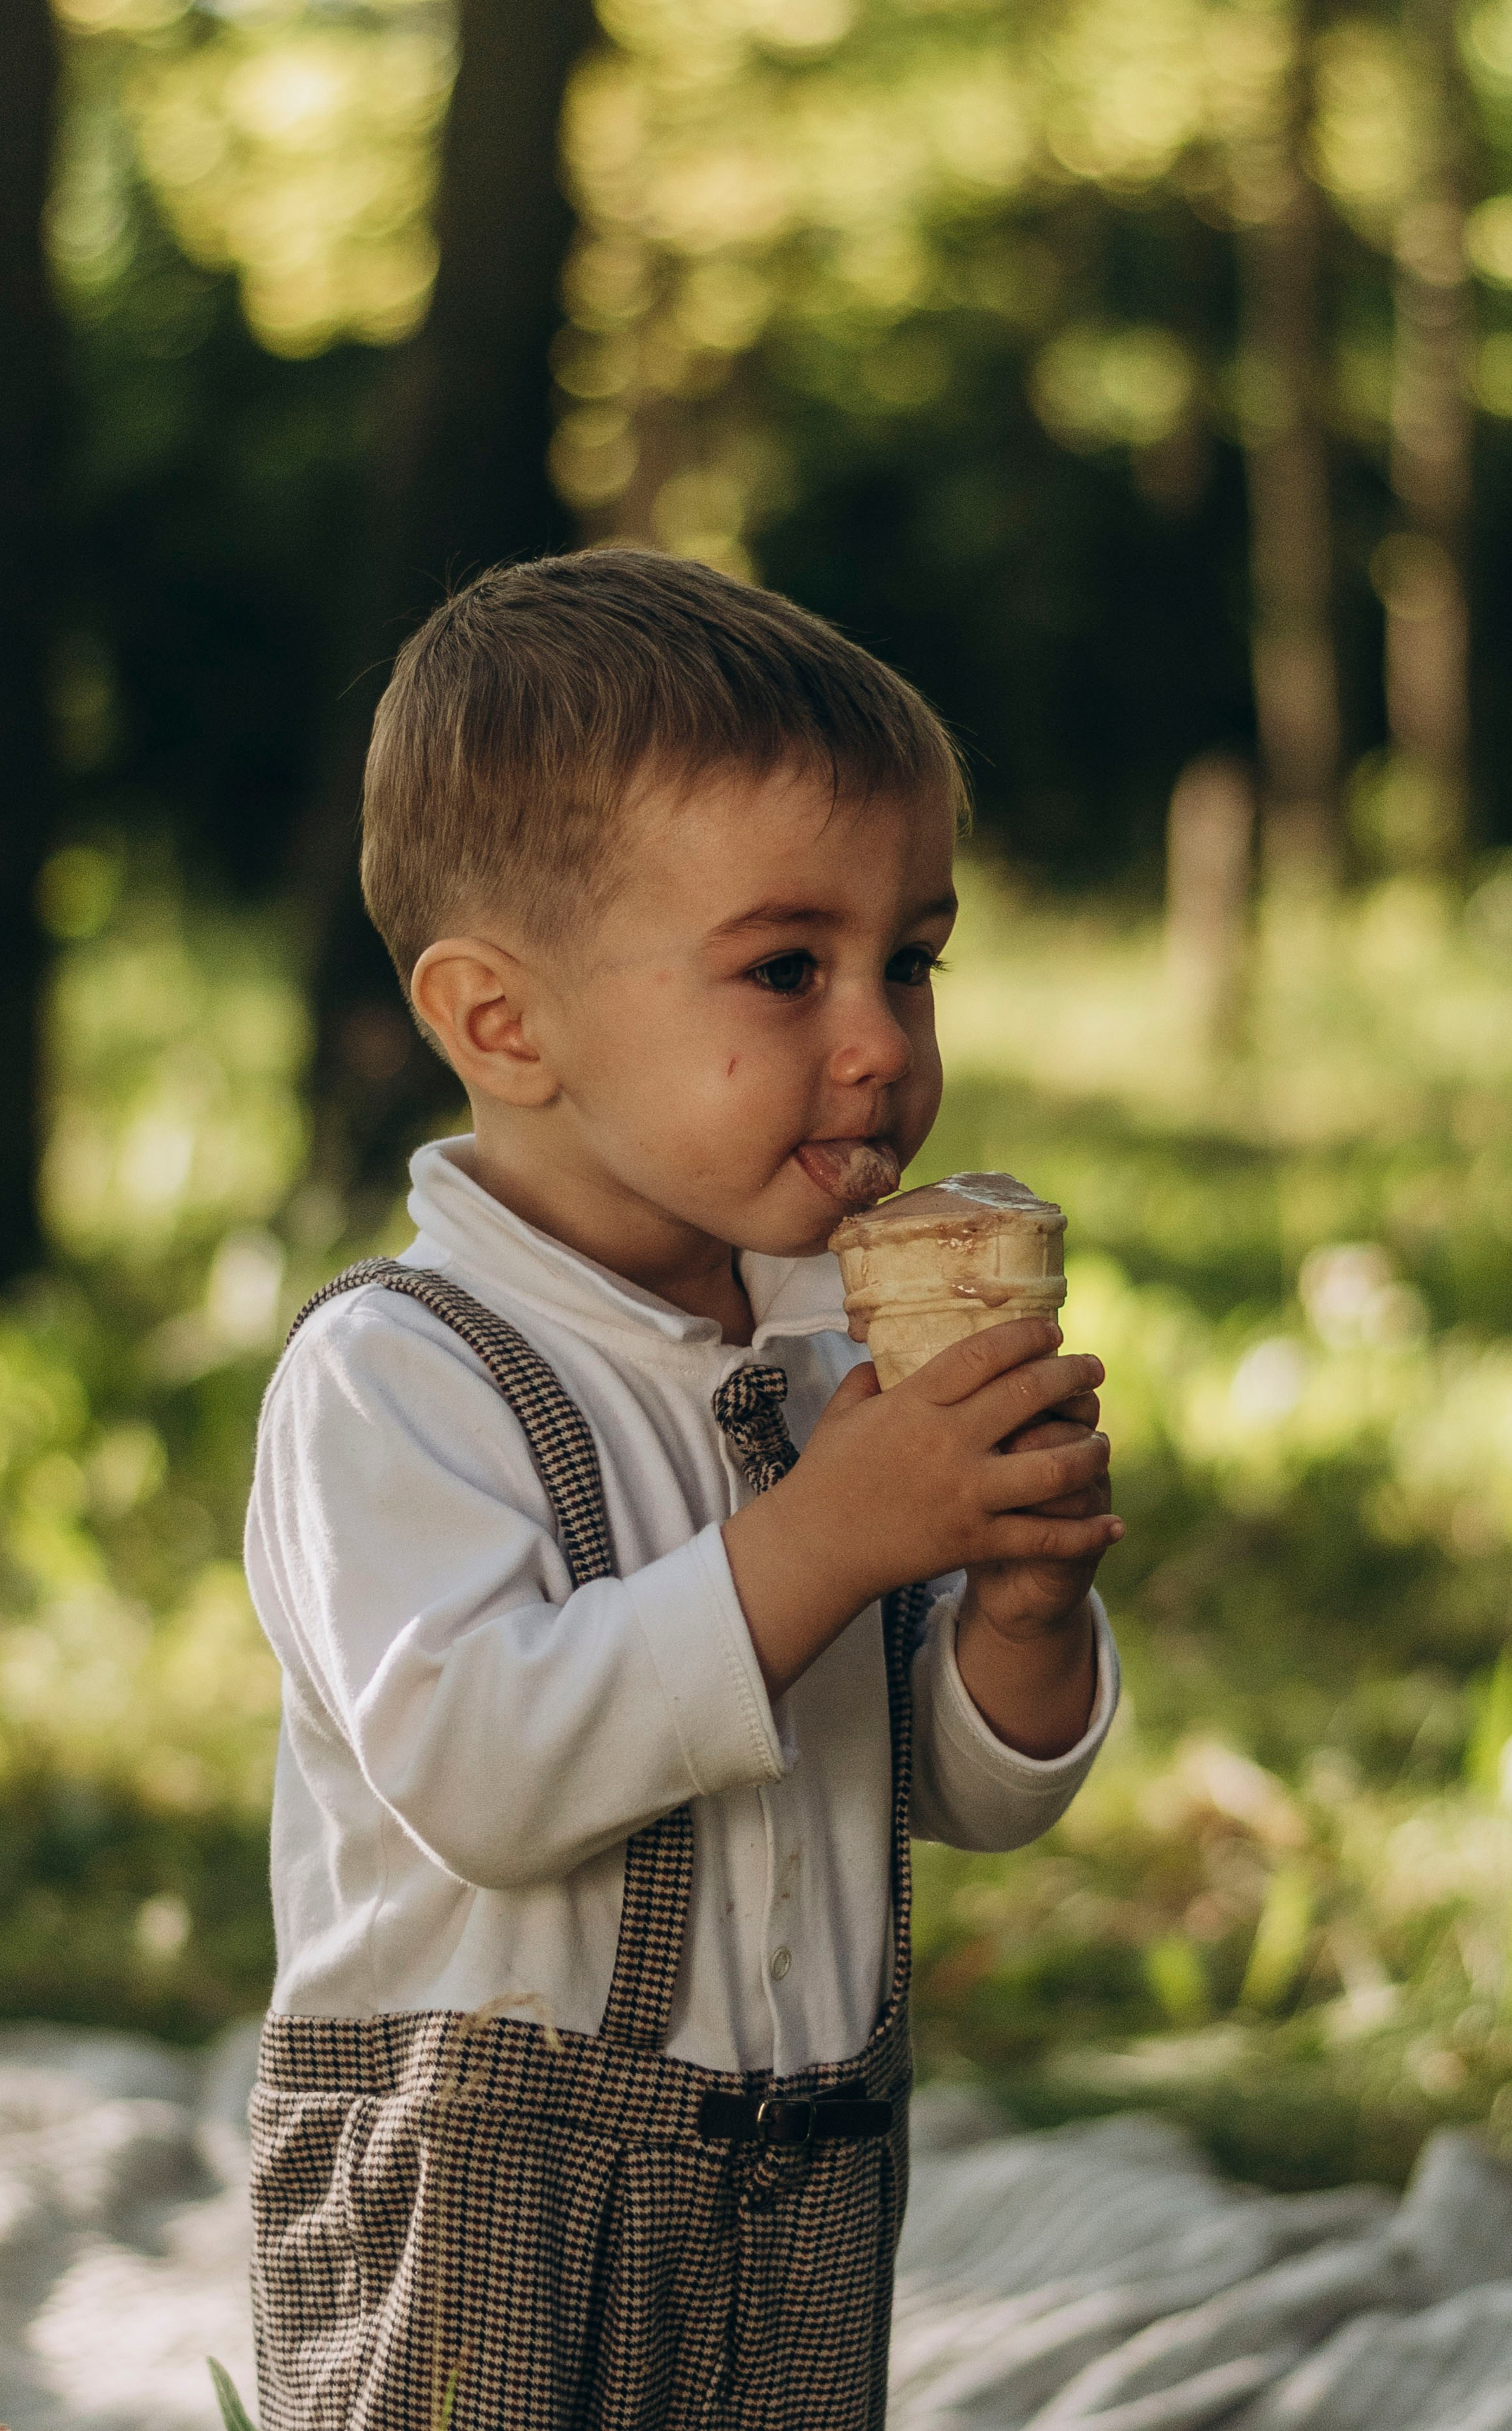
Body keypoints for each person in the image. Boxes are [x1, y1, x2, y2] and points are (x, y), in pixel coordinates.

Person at [244, 549, 1123, 2431]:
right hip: (490, 2194)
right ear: (503, 1024)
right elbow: (485, 1766)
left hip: (805, 2167)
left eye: (914, 956)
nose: (883, 1039)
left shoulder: (827, 1355)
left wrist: (1017, 1612)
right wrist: (825, 1535)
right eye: (788, 968)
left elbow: (947, 1786)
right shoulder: (399, 1375)